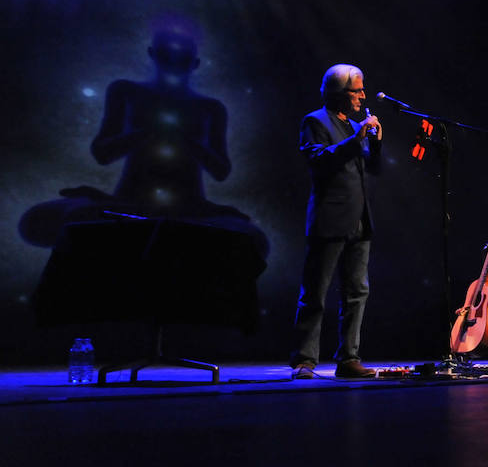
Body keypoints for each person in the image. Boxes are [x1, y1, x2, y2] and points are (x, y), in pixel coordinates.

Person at [18, 19, 268, 259]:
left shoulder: (210, 108)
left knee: (251, 241)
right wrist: (144, 134)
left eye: (183, 55)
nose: (174, 60)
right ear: (152, 53)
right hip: (129, 202)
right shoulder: (125, 91)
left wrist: (188, 143)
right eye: (166, 52)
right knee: (41, 223)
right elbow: (102, 153)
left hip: (189, 208)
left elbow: (221, 170)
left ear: (195, 62)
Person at [290, 64, 383, 379]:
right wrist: (357, 139)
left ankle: (348, 359)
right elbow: (318, 159)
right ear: (338, 93)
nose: (362, 96)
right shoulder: (315, 121)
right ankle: (304, 360)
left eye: (361, 89)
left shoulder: (354, 126)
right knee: (315, 292)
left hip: (359, 220)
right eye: (357, 90)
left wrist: (376, 143)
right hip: (330, 218)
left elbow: (372, 168)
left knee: (357, 291)